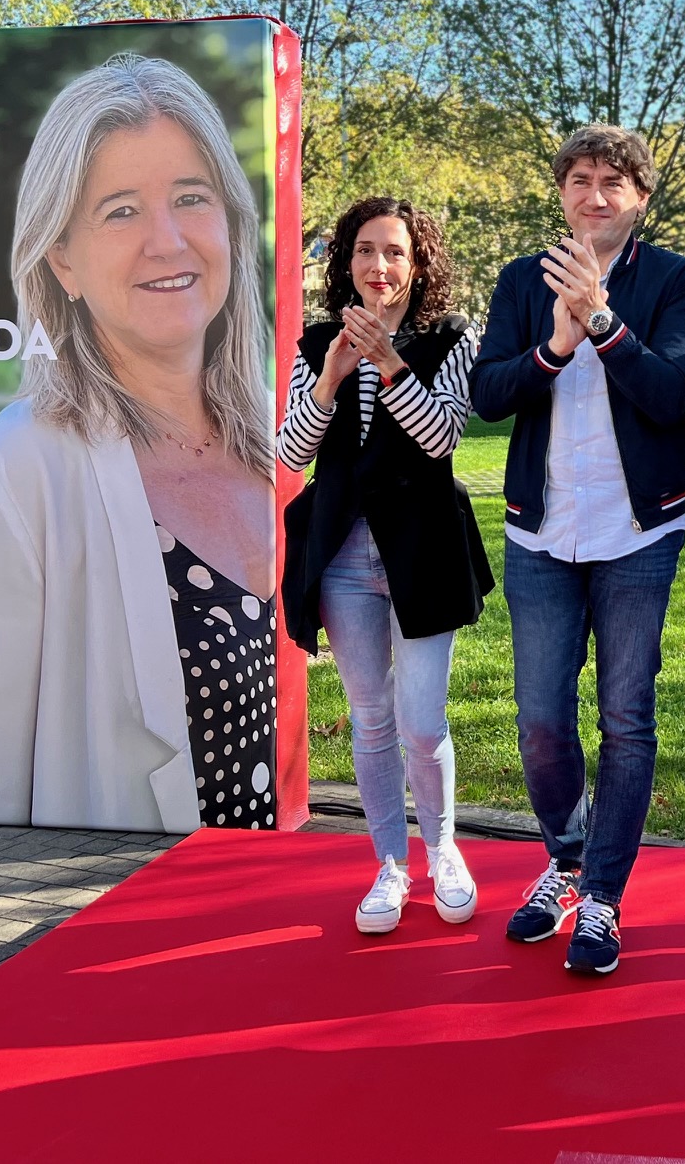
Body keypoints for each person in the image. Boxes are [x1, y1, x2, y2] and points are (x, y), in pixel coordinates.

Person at [0, 53, 276, 833]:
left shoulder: (272, 445)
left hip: (261, 921)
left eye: (190, 198)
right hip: (105, 928)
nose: (167, 239)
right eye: (120, 210)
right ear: (62, 259)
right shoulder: (5, 478)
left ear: (232, 225)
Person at [468, 124, 685, 977]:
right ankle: (565, 859)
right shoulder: (521, 280)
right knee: (539, 720)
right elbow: (489, 392)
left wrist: (602, 321)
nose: (594, 194)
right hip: (541, 528)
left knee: (626, 718)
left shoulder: (675, 278)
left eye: (613, 181)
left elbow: (670, 392)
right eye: (579, 179)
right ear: (561, 192)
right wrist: (555, 343)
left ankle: (602, 893)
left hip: (637, 531)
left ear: (640, 197)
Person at [277, 196, 492, 934]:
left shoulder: (451, 338)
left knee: (422, 721)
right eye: (365, 250)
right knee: (370, 718)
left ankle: (443, 851)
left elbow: (440, 440)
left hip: (423, 549)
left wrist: (391, 363)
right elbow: (291, 452)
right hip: (341, 553)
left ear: (417, 260)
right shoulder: (314, 344)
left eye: (394, 251)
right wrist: (334, 378)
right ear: (346, 260)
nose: (379, 265)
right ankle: (389, 865)